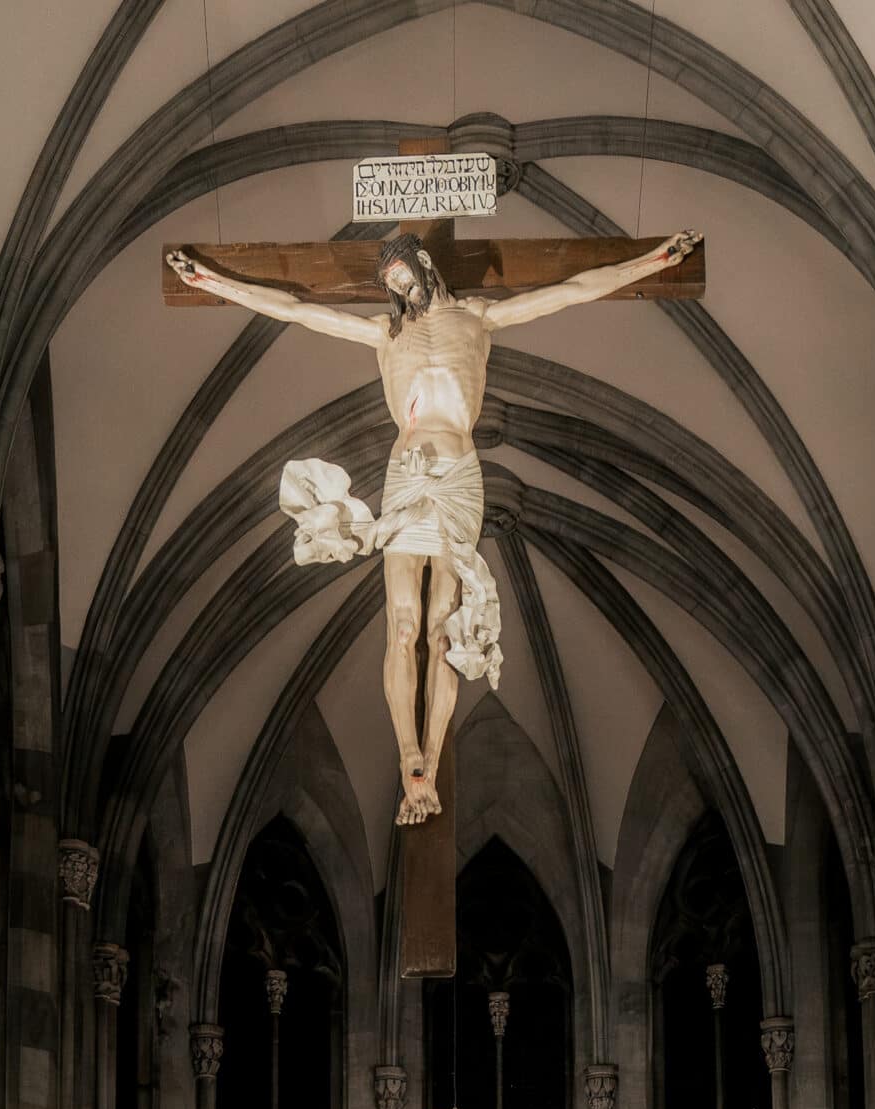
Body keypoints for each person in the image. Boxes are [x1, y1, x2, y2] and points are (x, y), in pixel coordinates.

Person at [167, 225, 699, 824]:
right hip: (407, 471)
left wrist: (650, 262)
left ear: (420, 262)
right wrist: (216, 282)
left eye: (399, 276)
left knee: (443, 632)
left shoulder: (478, 317)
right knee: (401, 626)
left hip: (460, 475)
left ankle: (433, 755)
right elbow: (297, 309)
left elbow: (572, 290)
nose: (397, 288)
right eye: (389, 283)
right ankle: (408, 757)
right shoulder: (382, 334)